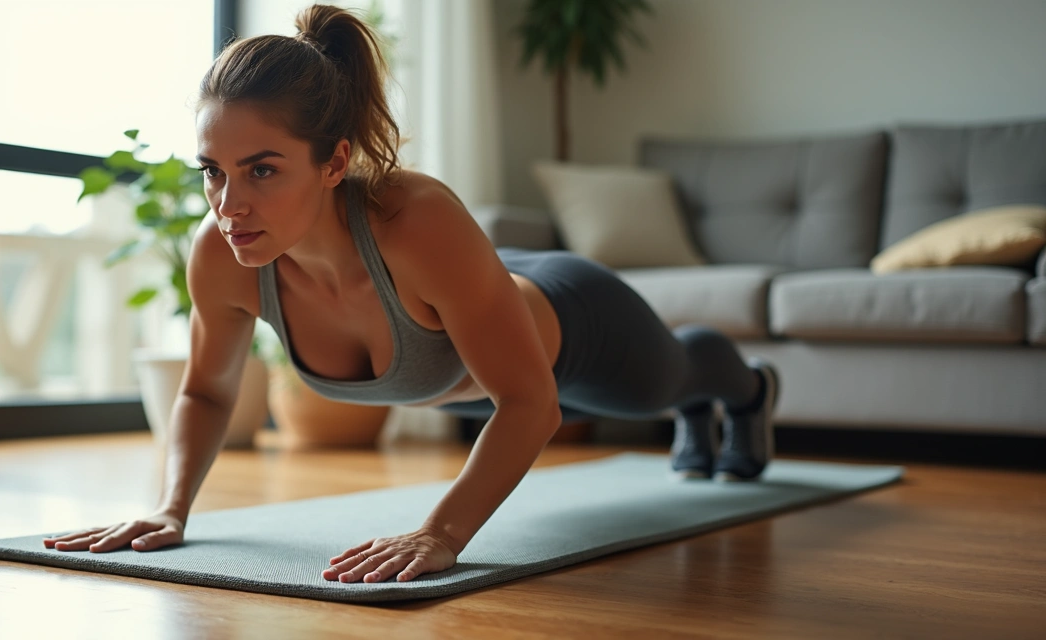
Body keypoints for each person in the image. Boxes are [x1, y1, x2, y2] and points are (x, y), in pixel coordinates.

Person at [42, 4, 780, 585]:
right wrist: (171, 509)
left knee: (673, 382)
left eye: (261, 170)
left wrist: (442, 531)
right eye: (212, 170)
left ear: (334, 163)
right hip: (465, 325)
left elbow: (531, 405)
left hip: (575, 324)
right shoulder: (226, 256)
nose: (227, 203)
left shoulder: (415, 217)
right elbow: (206, 393)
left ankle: (744, 392)